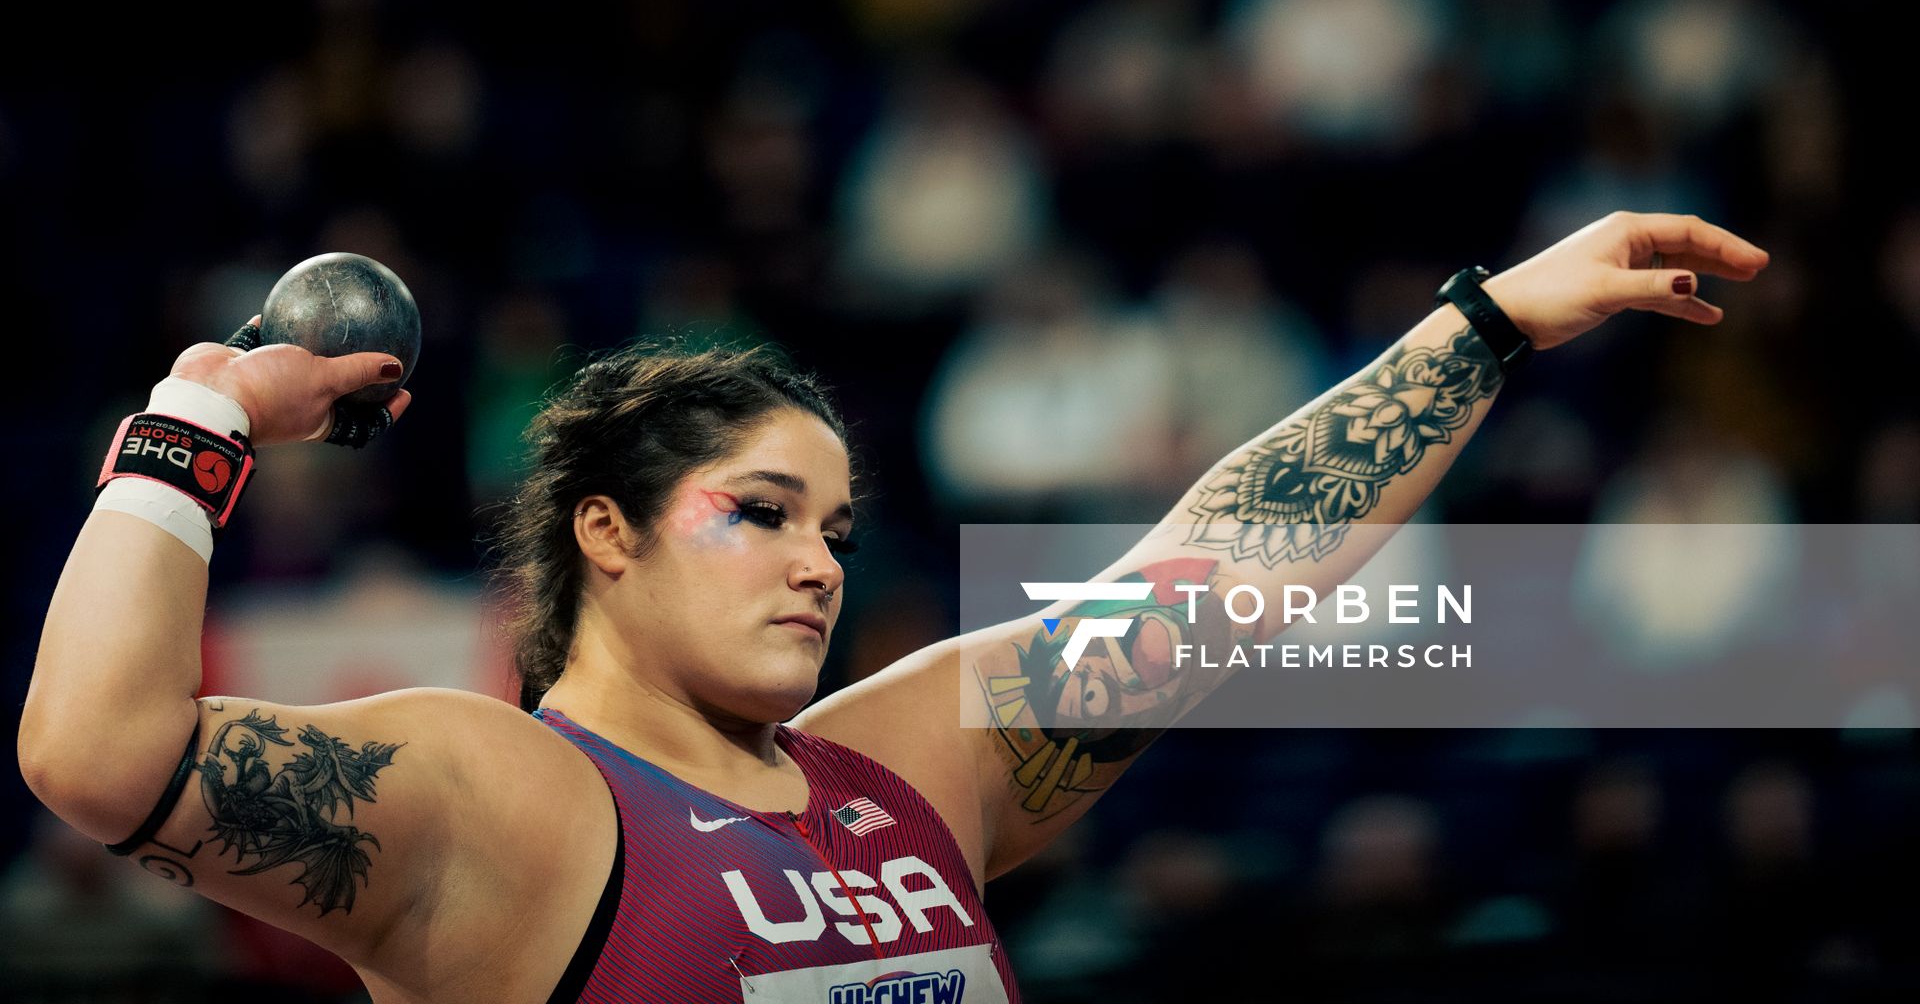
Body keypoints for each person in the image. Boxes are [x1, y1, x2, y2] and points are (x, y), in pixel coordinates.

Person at [20, 211, 1768, 1002]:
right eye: (762, 513)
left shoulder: (909, 767)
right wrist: (200, 418)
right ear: (607, 534)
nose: (818, 562)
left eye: (839, 527)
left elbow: (1218, 567)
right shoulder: (498, 802)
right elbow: (99, 757)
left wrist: (1485, 328)